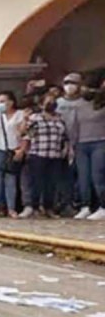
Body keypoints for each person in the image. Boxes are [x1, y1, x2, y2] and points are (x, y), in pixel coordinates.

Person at [57, 73, 105, 220]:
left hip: (100, 141)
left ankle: (102, 206)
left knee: (98, 175)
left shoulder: (102, 104)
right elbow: (74, 125)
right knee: (83, 177)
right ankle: (85, 206)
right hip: (81, 143)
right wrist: (72, 144)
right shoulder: (79, 104)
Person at [20, 95, 70, 219]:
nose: (51, 104)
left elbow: (64, 136)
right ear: (41, 105)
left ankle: (49, 208)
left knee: (51, 184)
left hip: (55, 155)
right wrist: (25, 120)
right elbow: (25, 133)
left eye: (53, 101)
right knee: (37, 183)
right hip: (38, 154)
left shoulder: (60, 119)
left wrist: (66, 148)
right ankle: (35, 207)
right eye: (48, 102)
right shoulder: (35, 118)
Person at [0, 91, 25, 219]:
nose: (0, 104)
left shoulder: (20, 114)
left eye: (3, 101)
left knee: (10, 181)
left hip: (12, 150)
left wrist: (21, 149)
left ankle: (11, 208)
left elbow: (24, 133)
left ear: (11, 102)